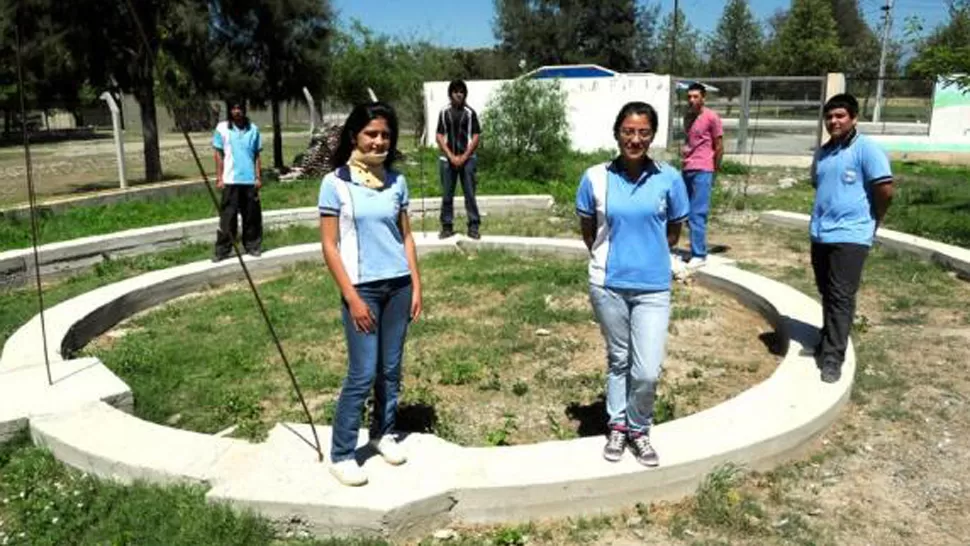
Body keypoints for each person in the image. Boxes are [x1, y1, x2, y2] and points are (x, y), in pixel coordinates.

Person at [575, 102, 690, 467]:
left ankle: (640, 429)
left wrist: (647, 256)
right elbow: (589, 230)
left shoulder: (669, 178)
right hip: (608, 283)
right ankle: (619, 426)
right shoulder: (594, 177)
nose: (634, 139)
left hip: (653, 286)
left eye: (643, 132)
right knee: (619, 359)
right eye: (628, 131)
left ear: (652, 136)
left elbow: (673, 231)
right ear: (617, 132)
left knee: (646, 369)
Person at [318, 102, 423, 486]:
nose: (379, 142)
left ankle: (383, 432)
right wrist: (352, 297)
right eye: (371, 134)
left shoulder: (397, 182)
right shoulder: (335, 183)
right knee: (362, 373)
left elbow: (406, 236)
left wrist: (416, 285)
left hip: (398, 286)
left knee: (390, 370)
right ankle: (342, 452)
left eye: (385, 135)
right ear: (354, 136)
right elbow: (329, 246)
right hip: (362, 288)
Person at [809, 93, 893, 383]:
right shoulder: (822, 153)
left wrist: (873, 221)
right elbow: (819, 185)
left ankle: (833, 357)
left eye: (840, 116)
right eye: (829, 117)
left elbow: (885, 190)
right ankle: (829, 335)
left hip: (852, 235)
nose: (834, 121)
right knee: (826, 290)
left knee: (841, 295)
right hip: (821, 234)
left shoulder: (867, 150)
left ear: (854, 118)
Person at [676, 82, 723, 271]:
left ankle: (699, 254)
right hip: (688, 166)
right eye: (689, 97)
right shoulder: (687, 117)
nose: (691, 100)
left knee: (698, 212)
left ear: (703, 98)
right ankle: (692, 246)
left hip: (704, 168)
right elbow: (690, 140)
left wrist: (715, 169)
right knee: (683, 211)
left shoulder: (712, 117)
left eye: (695, 97)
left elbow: (719, 145)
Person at [213, 100, 263, 261]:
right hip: (230, 180)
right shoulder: (222, 129)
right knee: (228, 217)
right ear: (230, 111)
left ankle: (252, 246)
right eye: (234, 108)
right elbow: (218, 154)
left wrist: (257, 177)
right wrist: (220, 177)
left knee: (252, 216)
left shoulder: (253, 129)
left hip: (249, 181)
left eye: (239, 108)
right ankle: (223, 250)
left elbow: (256, 155)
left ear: (244, 110)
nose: (237, 111)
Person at [435, 79, 482, 240]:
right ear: (450, 94)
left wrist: (464, 156)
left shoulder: (470, 113)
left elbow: (476, 136)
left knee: (470, 193)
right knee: (447, 194)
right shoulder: (444, 112)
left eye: (461, 91)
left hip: (468, 159)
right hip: (447, 159)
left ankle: (474, 226)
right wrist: (450, 155)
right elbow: (439, 135)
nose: (458, 94)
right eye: (455, 91)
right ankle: (447, 226)